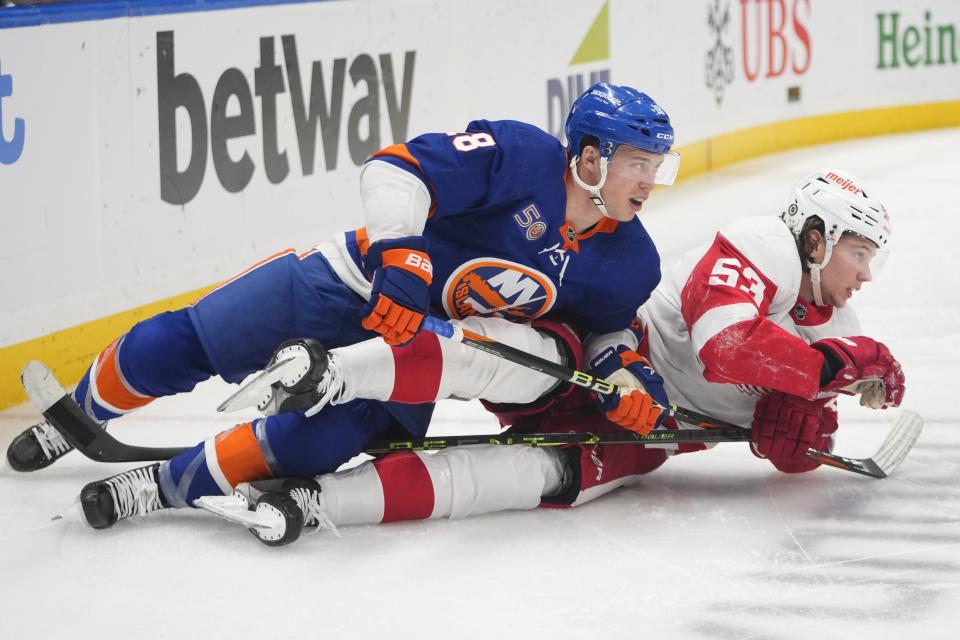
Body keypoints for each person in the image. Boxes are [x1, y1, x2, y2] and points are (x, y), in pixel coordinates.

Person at [7, 84, 683, 526]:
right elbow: (396, 168)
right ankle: (81, 414)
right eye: (639, 164)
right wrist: (403, 258)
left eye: (659, 166)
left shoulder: (631, 259)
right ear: (589, 158)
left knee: (319, 442)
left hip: (410, 347)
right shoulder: (522, 156)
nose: (651, 183)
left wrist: (625, 376)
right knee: (193, 341)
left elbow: (605, 332)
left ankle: (157, 487)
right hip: (350, 280)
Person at [196, 167, 908, 546]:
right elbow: (727, 350)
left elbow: (786, 421)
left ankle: (320, 504)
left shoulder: (836, 328)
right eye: (858, 253)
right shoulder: (765, 245)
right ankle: (330, 374)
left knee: (521, 478)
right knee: (498, 354)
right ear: (816, 237)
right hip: (614, 360)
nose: (865, 274)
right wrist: (835, 371)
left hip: (650, 432)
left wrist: (792, 441)